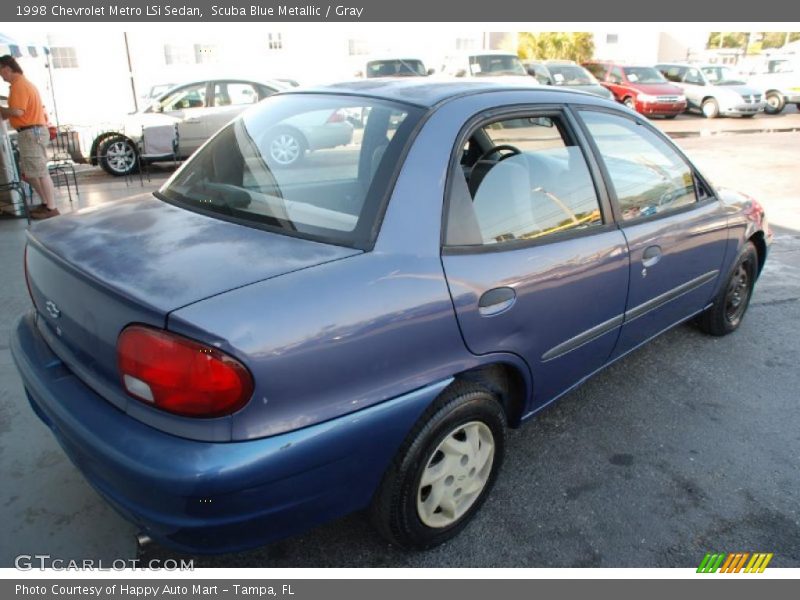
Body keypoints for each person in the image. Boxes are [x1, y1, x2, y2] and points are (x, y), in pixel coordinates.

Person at [0, 54, 59, 219]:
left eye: (0, 71)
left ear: (7, 68)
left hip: (31, 132)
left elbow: (18, 111)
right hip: (30, 132)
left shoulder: (20, 85)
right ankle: (46, 203)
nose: (0, 76)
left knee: (40, 171)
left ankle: (51, 207)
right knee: (30, 173)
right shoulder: (19, 85)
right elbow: (16, 113)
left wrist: (1, 110)